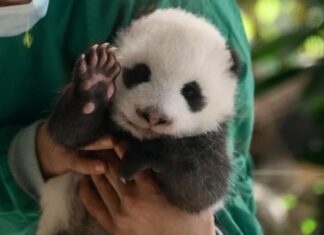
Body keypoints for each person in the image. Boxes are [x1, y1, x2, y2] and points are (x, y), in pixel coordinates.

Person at [0, 0, 263, 234]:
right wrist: (39, 155)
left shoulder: (194, 13)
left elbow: (215, 200)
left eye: (190, 92)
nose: (156, 111)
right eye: (141, 75)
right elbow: (63, 136)